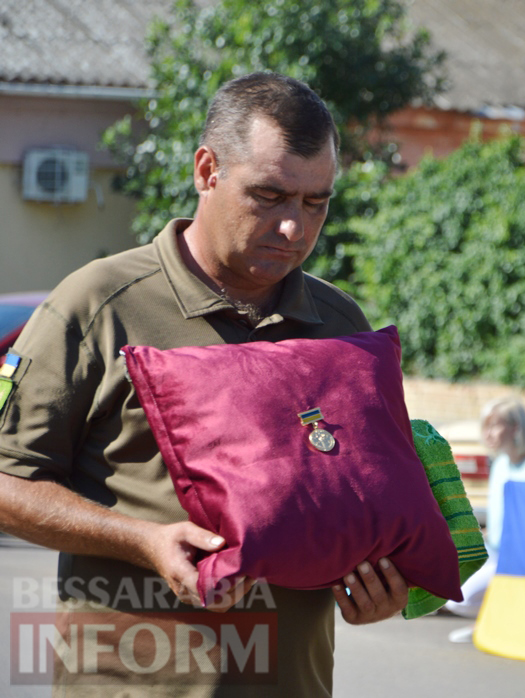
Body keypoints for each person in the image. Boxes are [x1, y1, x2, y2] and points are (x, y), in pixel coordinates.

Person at [0, 72, 406, 696]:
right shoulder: (99, 304)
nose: (295, 228)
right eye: (269, 196)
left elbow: (357, 504)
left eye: (315, 203)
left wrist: (378, 588)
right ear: (207, 170)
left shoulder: (340, 326)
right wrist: (143, 542)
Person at [445, 397, 525, 638]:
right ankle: (497, 622)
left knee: (461, 597)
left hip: (524, 558)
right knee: (450, 591)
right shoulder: (500, 464)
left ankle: (499, 623)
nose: (487, 434)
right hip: (495, 551)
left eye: (495, 425)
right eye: (485, 426)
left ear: (516, 427)